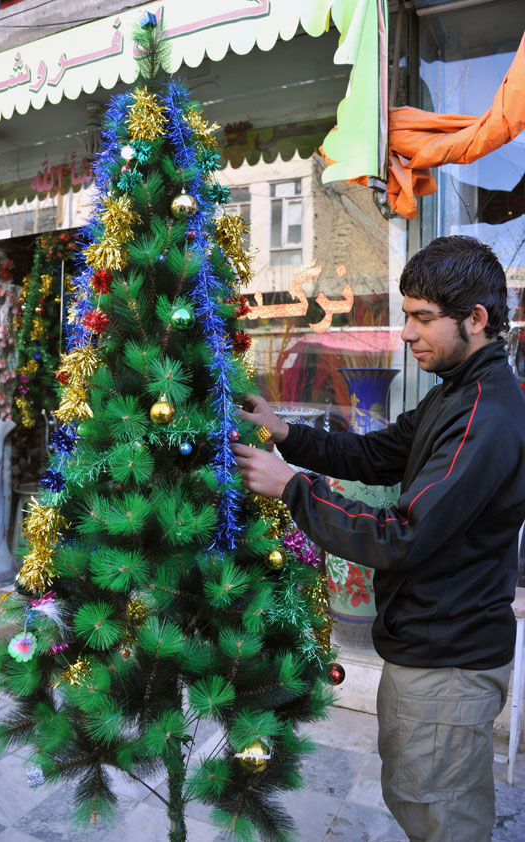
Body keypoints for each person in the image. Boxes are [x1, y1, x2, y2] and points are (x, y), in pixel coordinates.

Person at [232, 235, 525, 842]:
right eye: (406, 316)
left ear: (477, 319)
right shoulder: (457, 394)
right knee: (416, 797)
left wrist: (292, 489)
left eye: (423, 318)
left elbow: (402, 535)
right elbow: (375, 452)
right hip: (429, 649)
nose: (406, 334)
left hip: (450, 663)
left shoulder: (488, 415)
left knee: (441, 815)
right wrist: (287, 432)